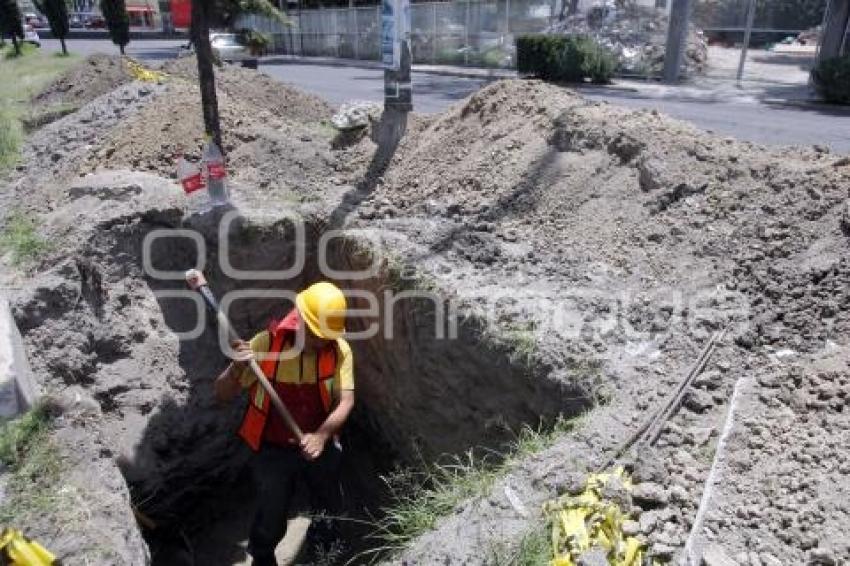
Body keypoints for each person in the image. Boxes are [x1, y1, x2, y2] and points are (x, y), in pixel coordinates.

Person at [214, 281, 355, 566]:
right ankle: (263, 556)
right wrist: (235, 368)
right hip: (272, 450)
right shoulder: (264, 345)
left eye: (326, 337)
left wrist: (321, 436)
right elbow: (221, 395)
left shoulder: (338, 350)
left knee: (328, 502)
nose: (321, 343)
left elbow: (346, 401)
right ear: (300, 320)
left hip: (320, 444)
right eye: (316, 336)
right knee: (272, 509)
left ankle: (325, 550)